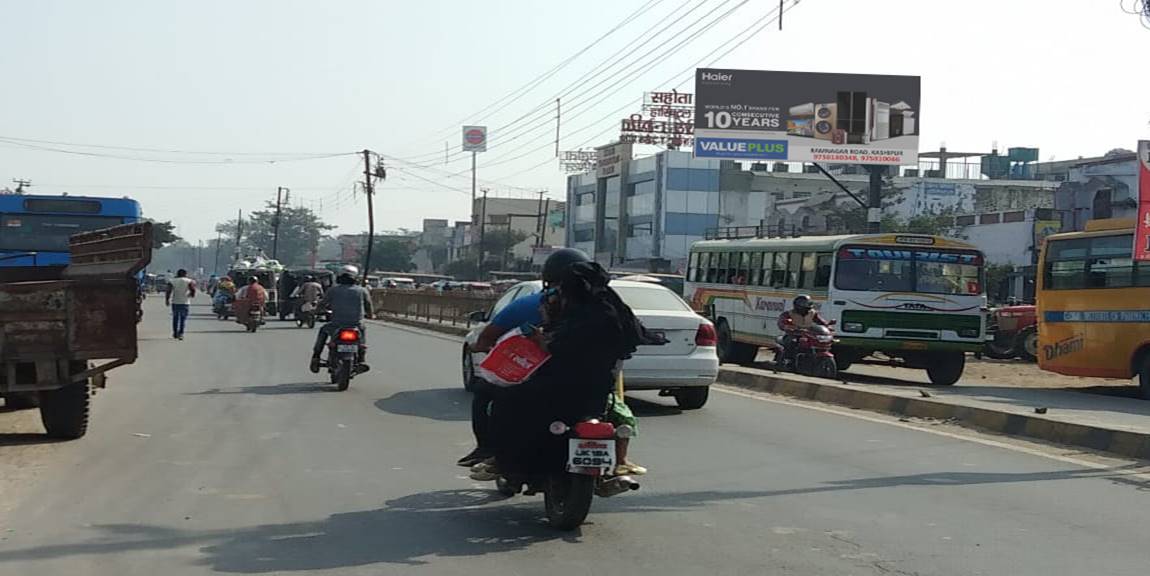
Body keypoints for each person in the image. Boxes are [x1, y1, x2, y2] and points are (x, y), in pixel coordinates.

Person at [481, 258, 650, 482]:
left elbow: (560, 347)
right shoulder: (615, 312)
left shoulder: (575, 313)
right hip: (597, 395)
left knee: (504, 402)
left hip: (556, 391)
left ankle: (504, 463)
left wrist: (542, 339)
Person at [309, 265, 373, 373]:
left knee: (323, 331)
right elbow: (368, 306)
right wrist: (371, 315)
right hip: (356, 325)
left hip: (336, 325)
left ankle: (316, 356)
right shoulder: (362, 291)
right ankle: (362, 360)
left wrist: (315, 312)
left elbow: (323, 303)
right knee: (361, 340)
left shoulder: (333, 290)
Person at [776, 294, 831, 367]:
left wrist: (827, 326)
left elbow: (820, 321)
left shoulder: (812, 313)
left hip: (807, 334)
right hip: (793, 334)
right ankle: (788, 360)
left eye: (808, 303)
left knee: (817, 342)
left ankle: (813, 360)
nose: (806, 305)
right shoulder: (788, 313)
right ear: (797, 304)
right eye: (804, 303)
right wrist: (786, 327)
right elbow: (781, 322)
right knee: (793, 342)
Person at [165, 269, 197, 340]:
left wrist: (167, 300)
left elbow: (168, 291)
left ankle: (175, 333)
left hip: (175, 302)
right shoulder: (189, 281)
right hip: (185, 302)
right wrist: (191, 295)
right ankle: (181, 333)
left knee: (175, 318)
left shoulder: (172, 281)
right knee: (183, 319)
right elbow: (193, 289)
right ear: (185, 274)